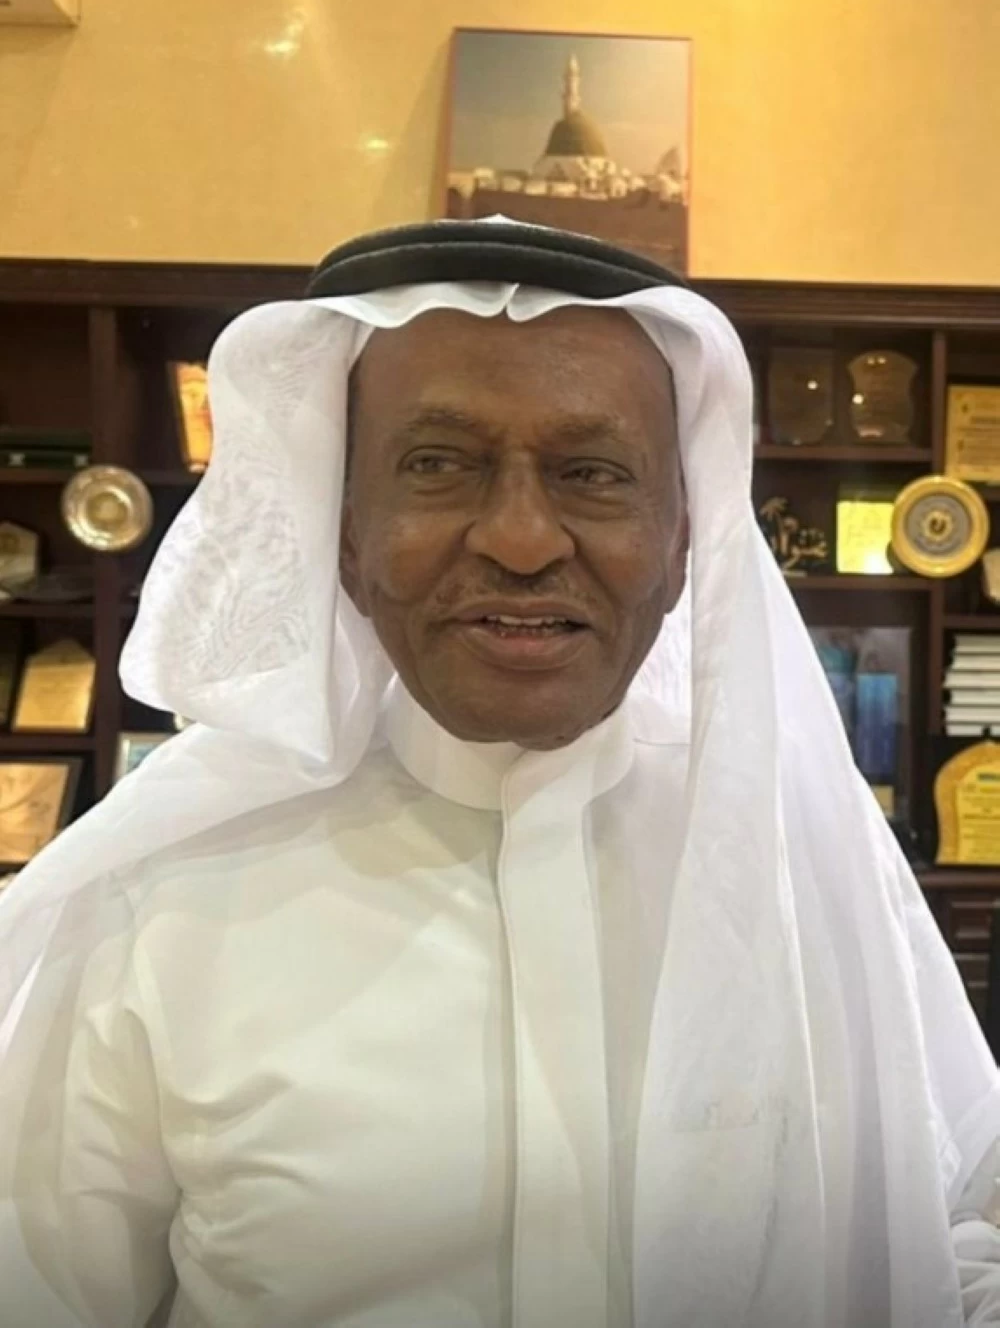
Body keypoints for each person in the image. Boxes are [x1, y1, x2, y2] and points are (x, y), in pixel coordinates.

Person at [1, 219, 998, 1328]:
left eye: (592, 474)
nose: (522, 540)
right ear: (345, 534)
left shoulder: (800, 850)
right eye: (438, 464)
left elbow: (959, 1222)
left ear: (682, 543)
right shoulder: (160, 895)